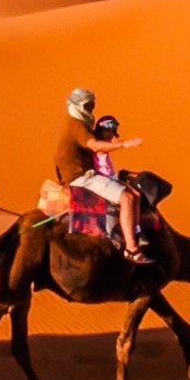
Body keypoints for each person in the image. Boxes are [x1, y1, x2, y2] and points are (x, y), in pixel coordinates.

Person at [51, 88, 149, 255]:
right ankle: (131, 247)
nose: (91, 110)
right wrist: (124, 144)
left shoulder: (73, 123)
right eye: (88, 106)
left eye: (92, 106)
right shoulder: (75, 125)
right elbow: (95, 146)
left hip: (80, 175)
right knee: (127, 198)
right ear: (79, 106)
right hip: (82, 178)